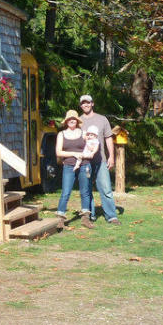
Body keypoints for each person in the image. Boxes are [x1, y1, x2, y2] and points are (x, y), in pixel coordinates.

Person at [78, 94, 121, 224]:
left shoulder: (102, 119)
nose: (85, 105)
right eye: (83, 103)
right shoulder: (78, 121)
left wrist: (111, 157)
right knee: (86, 189)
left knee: (106, 189)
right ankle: (90, 215)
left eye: (88, 102)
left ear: (92, 104)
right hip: (85, 161)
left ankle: (111, 216)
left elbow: (108, 138)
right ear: (81, 105)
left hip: (100, 160)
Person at [55, 109, 94, 228]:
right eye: (69, 119)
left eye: (74, 119)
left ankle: (85, 218)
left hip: (84, 165)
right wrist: (74, 153)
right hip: (69, 166)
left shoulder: (83, 133)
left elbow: (92, 146)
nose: (72, 121)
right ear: (66, 121)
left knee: (85, 191)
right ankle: (60, 219)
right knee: (66, 192)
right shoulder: (61, 134)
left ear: (77, 121)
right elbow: (58, 152)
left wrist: (89, 149)